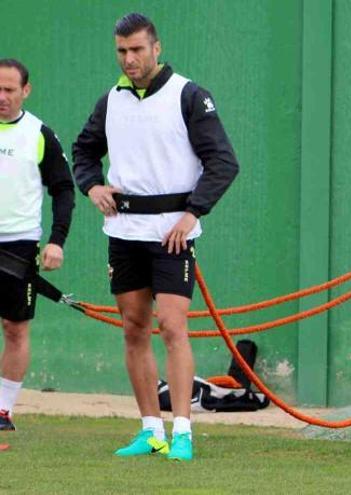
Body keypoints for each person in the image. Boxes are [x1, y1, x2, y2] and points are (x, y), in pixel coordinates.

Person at [72, 13, 238, 462]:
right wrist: (93, 186)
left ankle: (182, 431)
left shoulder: (189, 96)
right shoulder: (111, 100)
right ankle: (151, 430)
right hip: (124, 231)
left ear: (157, 48)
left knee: (172, 326)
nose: (129, 59)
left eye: (137, 50)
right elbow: (83, 150)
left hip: (171, 235)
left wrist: (192, 213)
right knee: (133, 328)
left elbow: (223, 161)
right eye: (122, 51)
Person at [0, 58, 74, 432]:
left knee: (15, 328)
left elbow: (63, 189)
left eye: (9, 90)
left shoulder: (39, 134)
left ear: (25, 91)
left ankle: (2, 410)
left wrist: (56, 241)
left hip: (18, 244)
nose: (2, 97)